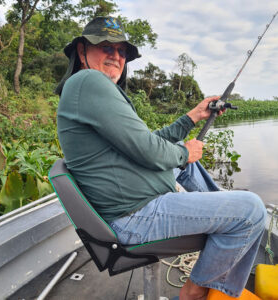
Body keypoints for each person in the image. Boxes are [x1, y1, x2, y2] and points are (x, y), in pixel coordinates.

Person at [56, 16, 267, 300]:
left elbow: (148, 142)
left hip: (134, 203)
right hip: (133, 216)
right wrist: (183, 154)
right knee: (252, 210)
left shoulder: (88, 89)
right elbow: (148, 149)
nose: (116, 56)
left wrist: (193, 116)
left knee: (189, 167)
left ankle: (223, 228)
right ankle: (194, 290)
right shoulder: (88, 81)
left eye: (121, 51)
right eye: (105, 46)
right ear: (82, 51)